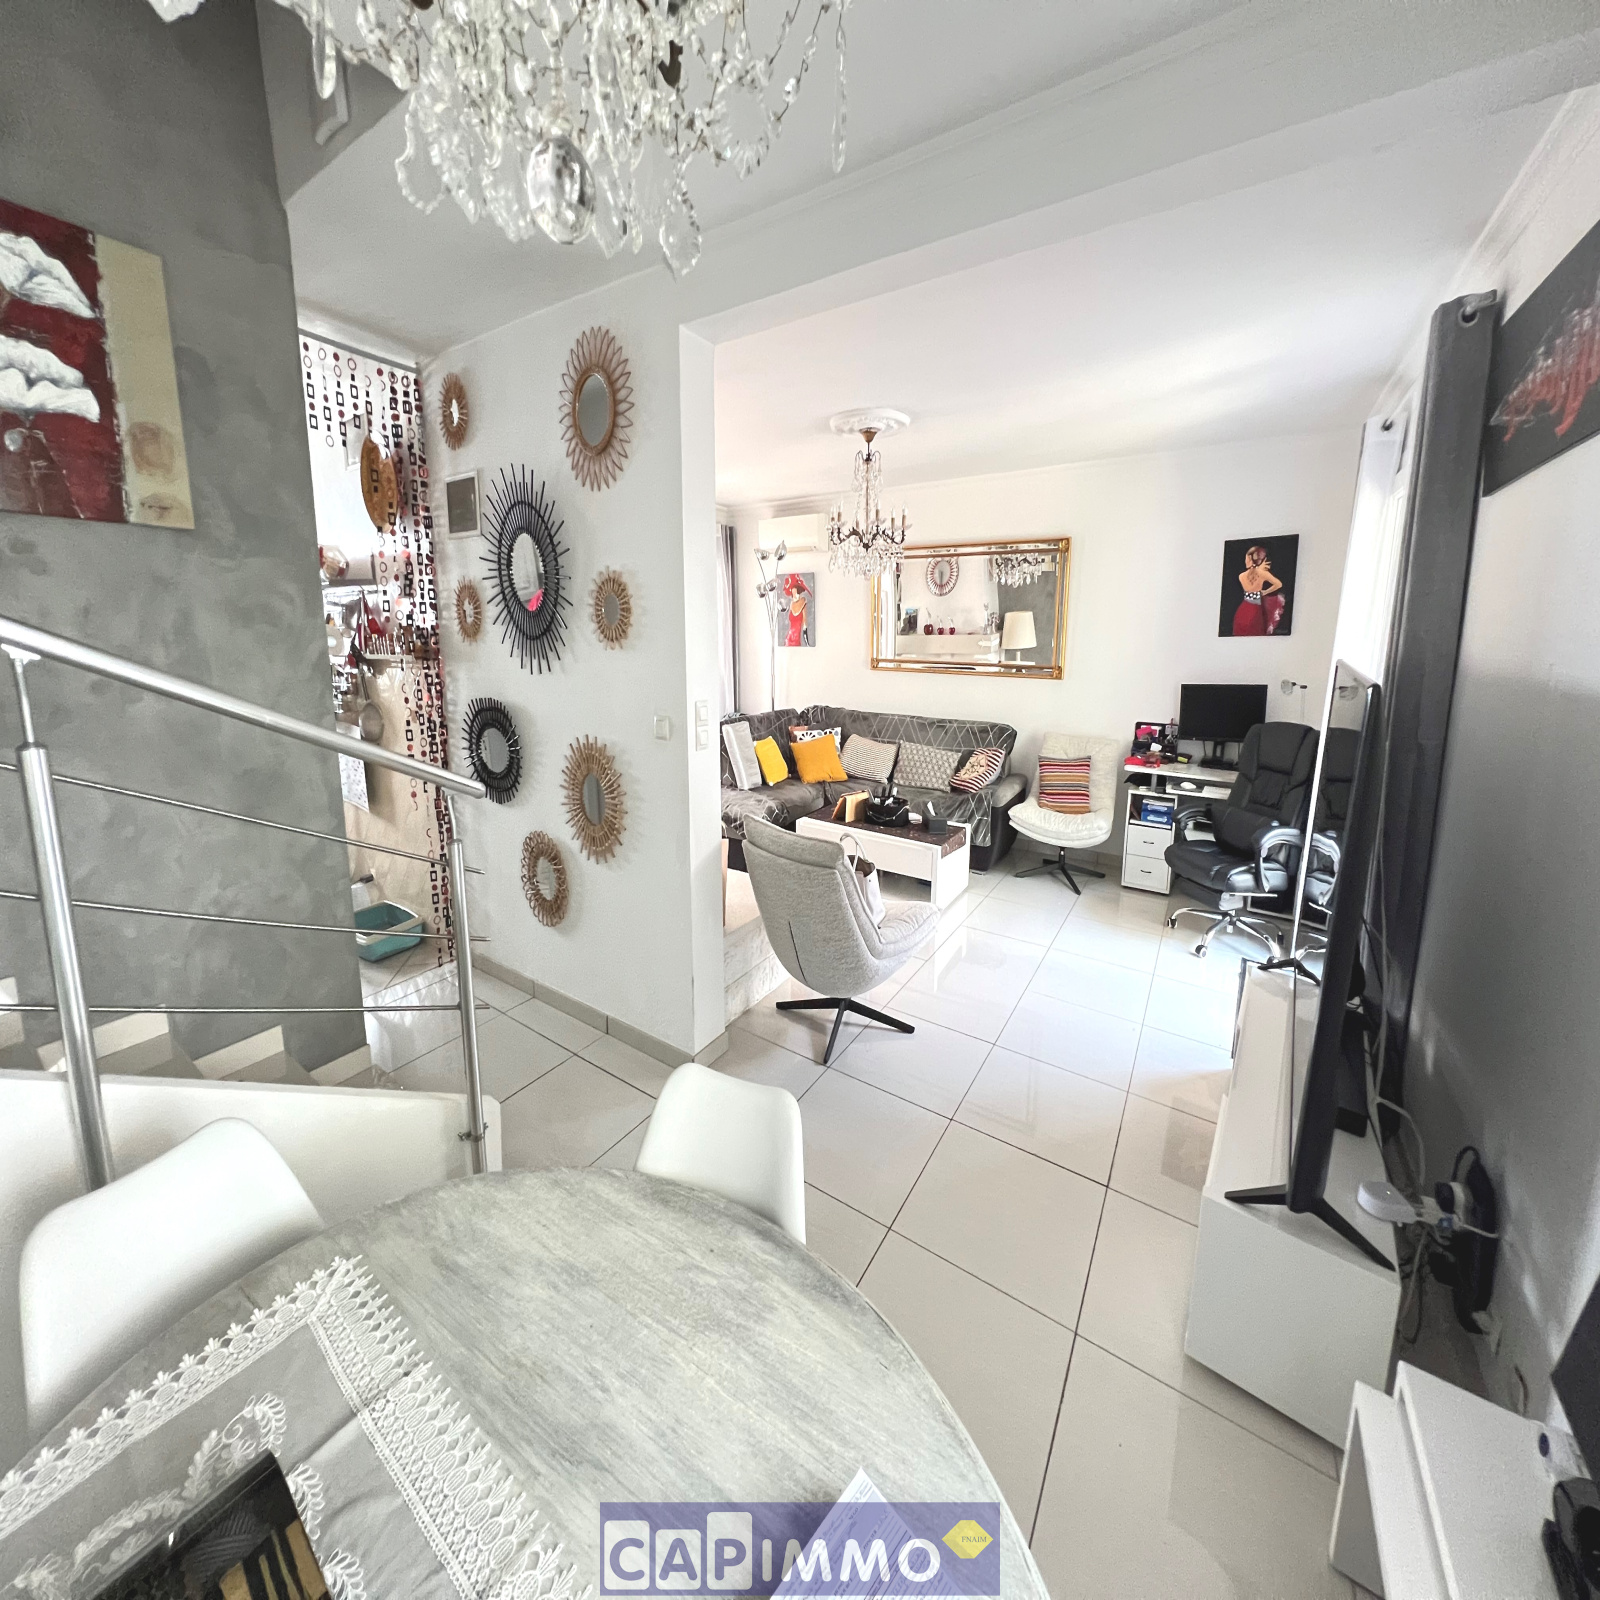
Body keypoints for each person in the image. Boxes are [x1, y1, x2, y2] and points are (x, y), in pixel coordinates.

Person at [1232, 545, 1285, 635]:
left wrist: (1258, 569)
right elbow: (1278, 584)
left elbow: (1251, 583)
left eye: (1246, 559)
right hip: (1256, 609)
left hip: (1243, 609)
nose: (1245, 561)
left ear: (1250, 559)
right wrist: (1265, 592)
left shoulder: (1241, 576)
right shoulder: (1263, 573)